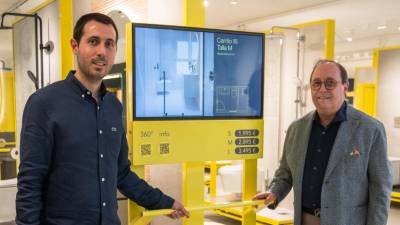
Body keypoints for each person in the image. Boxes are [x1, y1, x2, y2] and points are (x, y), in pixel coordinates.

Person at [16, 12, 189, 225]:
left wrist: (161, 201)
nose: (102, 51)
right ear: (75, 46)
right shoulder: (44, 103)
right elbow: (30, 182)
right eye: (93, 42)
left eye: (109, 44)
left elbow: (121, 173)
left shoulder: (114, 108)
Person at [253, 59, 393, 225]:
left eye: (330, 83)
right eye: (316, 83)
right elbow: (285, 173)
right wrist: (274, 193)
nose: (322, 89)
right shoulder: (296, 129)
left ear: (345, 88)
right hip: (304, 219)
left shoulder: (370, 129)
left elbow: (380, 190)